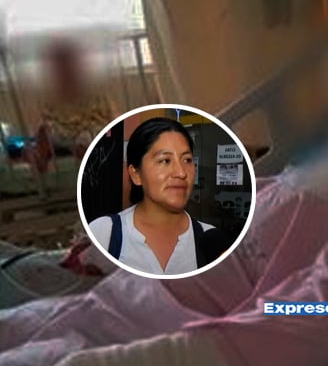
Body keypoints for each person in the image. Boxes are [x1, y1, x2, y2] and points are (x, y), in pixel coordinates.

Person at [88, 117, 230, 275]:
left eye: (187, 160)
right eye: (165, 161)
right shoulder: (103, 233)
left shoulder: (211, 241)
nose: (181, 173)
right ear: (136, 174)